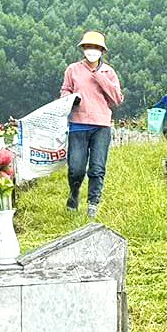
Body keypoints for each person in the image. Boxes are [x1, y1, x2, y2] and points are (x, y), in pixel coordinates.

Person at [61, 29, 123, 218]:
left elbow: (117, 98)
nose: (92, 50)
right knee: (76, 168)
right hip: (78, 124)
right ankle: (74, 194)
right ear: (83, 49)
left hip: (101, 125)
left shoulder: (108, 72)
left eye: (96, 47)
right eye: (89, 47)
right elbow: (64, 91)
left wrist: (99, 76)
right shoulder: (73, 69)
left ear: (102, 51)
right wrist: (71, 99)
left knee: (97, 168)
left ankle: (93, 203)